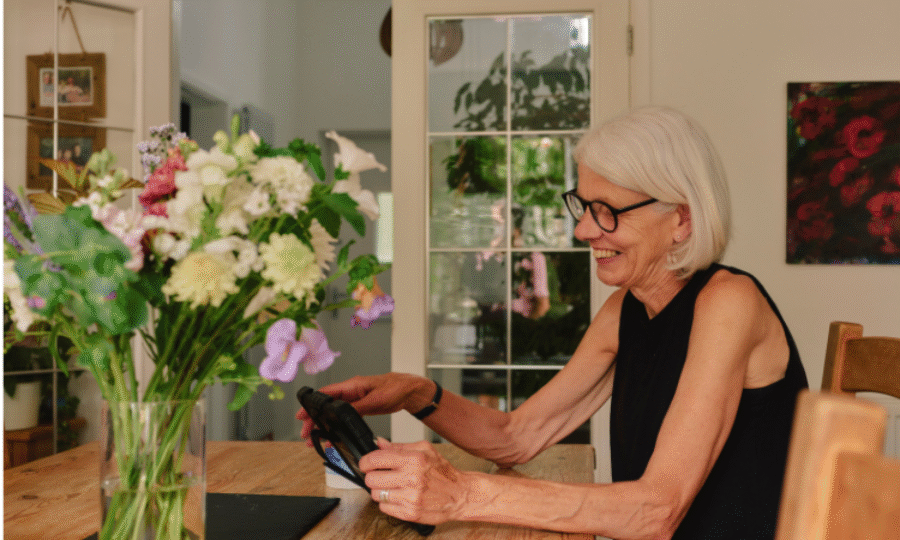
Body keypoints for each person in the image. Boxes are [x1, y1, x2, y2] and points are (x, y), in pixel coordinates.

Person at [297, 106, 808, 539]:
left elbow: (657, 509)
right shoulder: (627, 308)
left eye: (608, 210)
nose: (585, 229)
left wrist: (463, 493)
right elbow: (518, 436)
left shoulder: (729, 302)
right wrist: (413, 392)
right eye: (584, 205)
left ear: (683, 219)